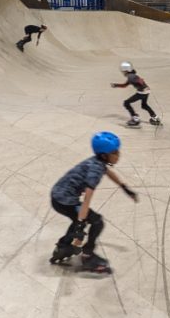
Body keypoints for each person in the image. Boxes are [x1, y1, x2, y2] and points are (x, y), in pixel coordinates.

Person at [49, 132, 139, 274]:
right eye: (114, 152)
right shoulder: (95, 170)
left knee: (81, 220)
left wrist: (124, 187)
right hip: (64, 201)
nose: (118, 155)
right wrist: (80, 225)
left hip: (58, 195)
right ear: (104, 155)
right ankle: (87, 255)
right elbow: (87, 200)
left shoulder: (97, 161)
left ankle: (64, 247)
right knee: (96, 222)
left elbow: (108, 172)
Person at [112, 62, 161, 126]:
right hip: (147, 91)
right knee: (144, 105)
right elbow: (137, 82)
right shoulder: (133, 75)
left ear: (126, 70)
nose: (123, 73)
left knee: (126, 103)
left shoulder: (130, 77)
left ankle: (135, 119)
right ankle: (155, 118)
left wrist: (115, 85)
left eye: (123, 71)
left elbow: (125, 85)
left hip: (142, 92)